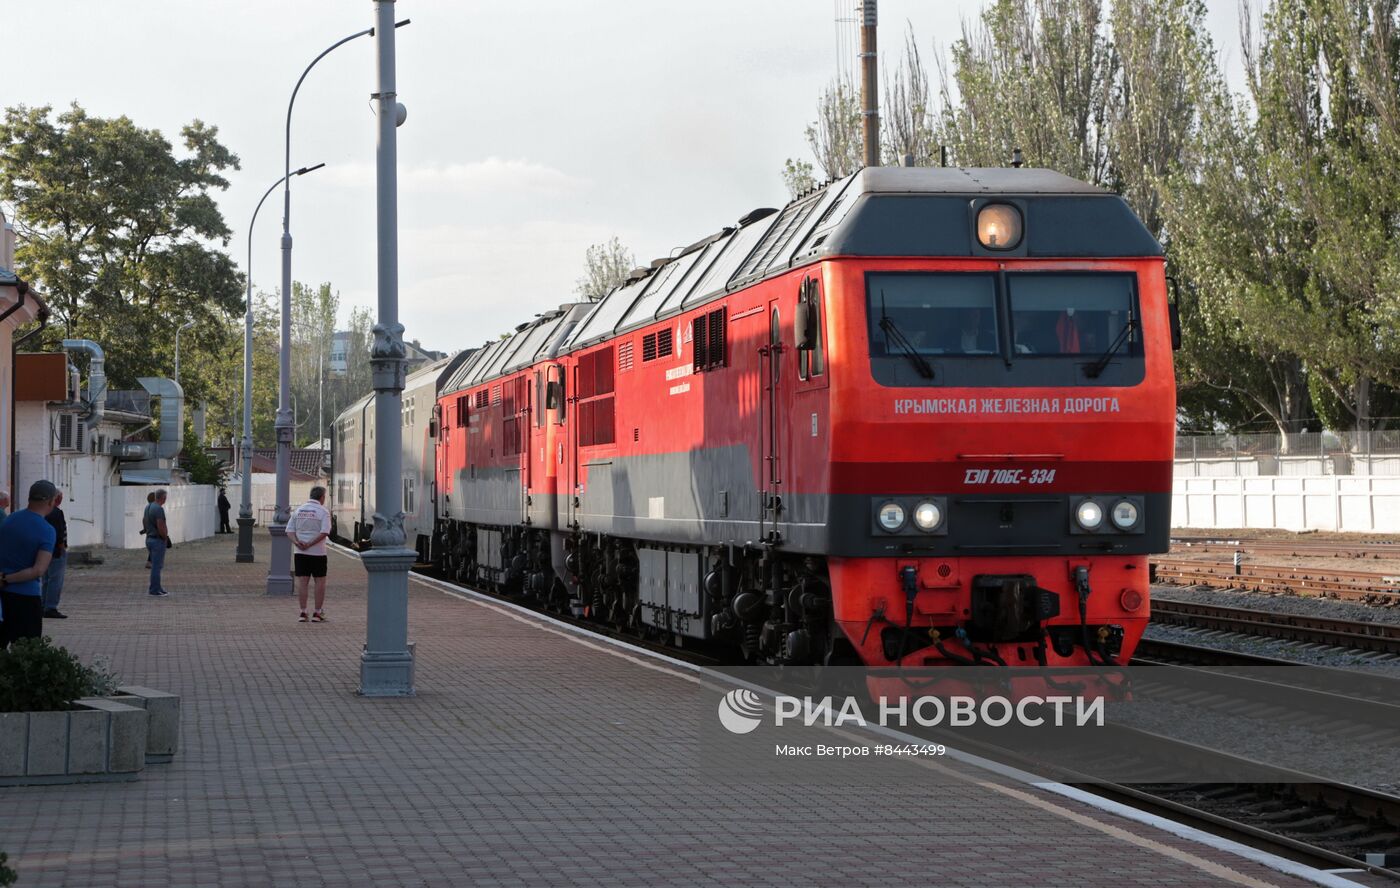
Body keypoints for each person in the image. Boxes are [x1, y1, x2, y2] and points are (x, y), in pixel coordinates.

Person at [0, 480, 59, 647]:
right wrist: (6, 578)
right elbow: (38, 570)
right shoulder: (46, 530)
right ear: (50, 501)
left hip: (2, 597)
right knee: (26, 653)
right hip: (26, 597)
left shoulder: (10, 519)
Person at [288, 486, 332, 623]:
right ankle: (317, 613)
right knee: (320, 581)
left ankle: (303, 612)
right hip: (318, 553)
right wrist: (310, 544)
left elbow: (289, 530)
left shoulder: (298, 510)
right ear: (322, 497)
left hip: (300, 553)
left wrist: (297, 542)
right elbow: (325, 532)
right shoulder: (323, 512)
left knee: (303, 582)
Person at [42, 490, 68, 619]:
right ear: (56, 498)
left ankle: (43, 605)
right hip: (56, 551)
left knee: (46, 579)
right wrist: (61, 547)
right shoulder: (57, 512)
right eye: (61, 497)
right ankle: (51, 607)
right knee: (56, 580)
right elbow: (59, 532)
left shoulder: (44, 512)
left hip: (44, 551)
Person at [144, 489, 171, 597]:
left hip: (149, 538)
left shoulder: (148, 507)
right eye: (165, 497)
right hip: (157, 540)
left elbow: (144, 521)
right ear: (163, 498)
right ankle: (154, 589)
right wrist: (164, 537)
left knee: (156, 565)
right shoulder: (159, 509)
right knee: (157, 566)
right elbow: (161, 525)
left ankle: (158, 587)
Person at [142, 490, 155, 569]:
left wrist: (145, 528)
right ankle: (150, 562)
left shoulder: (147, 507)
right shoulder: (155, 508)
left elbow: (143, 519)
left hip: (149, 531)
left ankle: (150, 562)